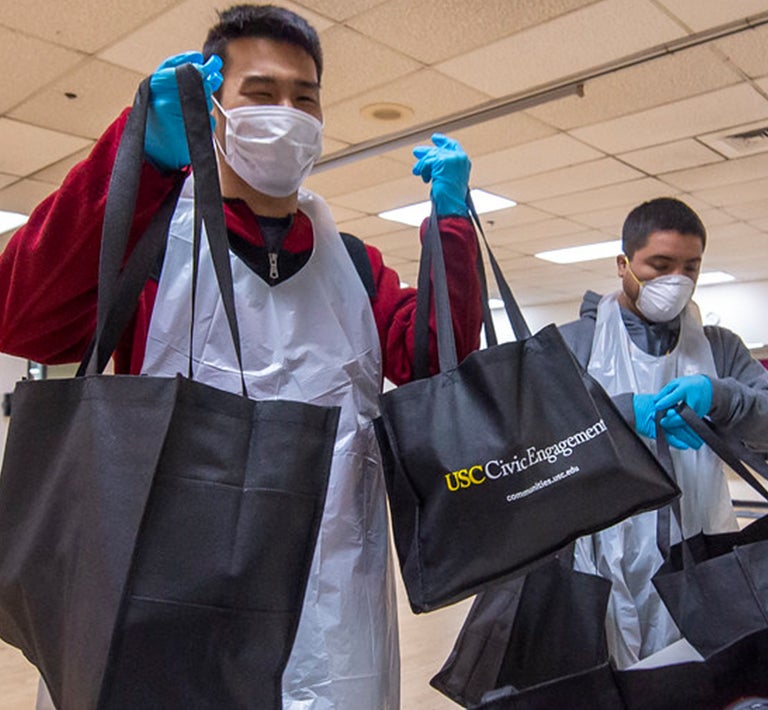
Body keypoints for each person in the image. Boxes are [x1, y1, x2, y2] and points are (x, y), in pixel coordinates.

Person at [0, 4, 482, 708]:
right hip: (160, 598)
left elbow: (435, 362)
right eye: (260, 94)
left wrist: (450, 230)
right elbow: (24, 320)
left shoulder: (351, 264)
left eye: (304, 97)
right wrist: (135, 155)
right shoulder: (153, 242)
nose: (286, 113)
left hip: (329, 599)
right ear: (213, 106)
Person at [559, 196, 768, 669]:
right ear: (623, 264)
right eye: (660, 264)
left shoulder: (719, 349)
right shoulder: (578, 344)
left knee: (691, 681)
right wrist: (627, 415)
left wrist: (723, 397)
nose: (676, 281)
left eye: (690, 267)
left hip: (697, 549)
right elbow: (542, 442)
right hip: (597, 562)